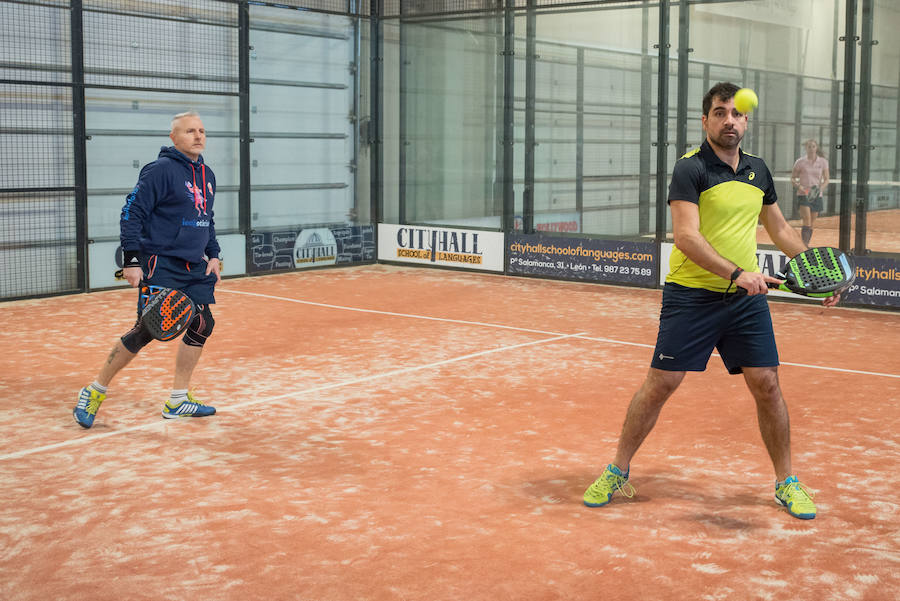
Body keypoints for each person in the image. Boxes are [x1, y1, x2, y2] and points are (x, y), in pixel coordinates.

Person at [582, 83, 840, 520]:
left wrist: (816, 271)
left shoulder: (758, 170)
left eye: (736, 114)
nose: (729, 121)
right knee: (662, 384)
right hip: (692, 297)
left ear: (746, 121)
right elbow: (686, 237)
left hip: (745, 303)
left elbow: (778, 229)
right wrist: (739, 274)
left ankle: (787, 482)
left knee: (767, 384)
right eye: (719, 113)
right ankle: (618, 470)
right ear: (706, 121)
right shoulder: (691, 169)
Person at [73, 111, 221, 428]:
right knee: (147, 330)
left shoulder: (207, 175)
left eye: (202, 130)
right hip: (162, 262)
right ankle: (94, 391)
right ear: (174, 137)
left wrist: (213, 253)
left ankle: (178, 400)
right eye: (190, 131)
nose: (198, 136)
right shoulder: (160, 170)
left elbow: (206, 218)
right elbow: (132, 212)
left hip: (195, 266)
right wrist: (132, 259)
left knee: (202, 323)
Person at [790, 139, 830, 245]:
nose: (811, 149)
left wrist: (820, 189)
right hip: (803, 195)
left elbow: (826, 179)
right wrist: (800, 187)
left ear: (816, 148)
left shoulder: (823, 162)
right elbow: (793, 178)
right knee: (807, 221)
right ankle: (804, 245)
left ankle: (805, 244)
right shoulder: (800, 162)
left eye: (813, 146)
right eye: (809, 147)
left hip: (817, 196)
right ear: (806, 148)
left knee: (811, 223)